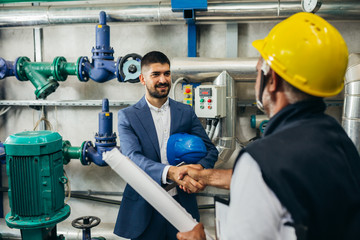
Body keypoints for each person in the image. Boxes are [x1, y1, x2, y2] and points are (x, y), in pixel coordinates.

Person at [176, 12, 360, 240]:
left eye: (256, 71)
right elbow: (287, 182)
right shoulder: (338, 142)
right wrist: (207, 176)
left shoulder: (261, 160)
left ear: (271, 79)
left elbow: (265, 176)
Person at [114, 51, 219, 240]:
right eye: (155, 74)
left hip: (181, 204)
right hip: (144, 206)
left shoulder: (185, 112)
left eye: (167, 73)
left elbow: (210, 150)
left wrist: (198, 169)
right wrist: (171, 172)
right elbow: (132, 158)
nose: (163, 80)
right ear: (142, 79)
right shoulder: (128, 116)